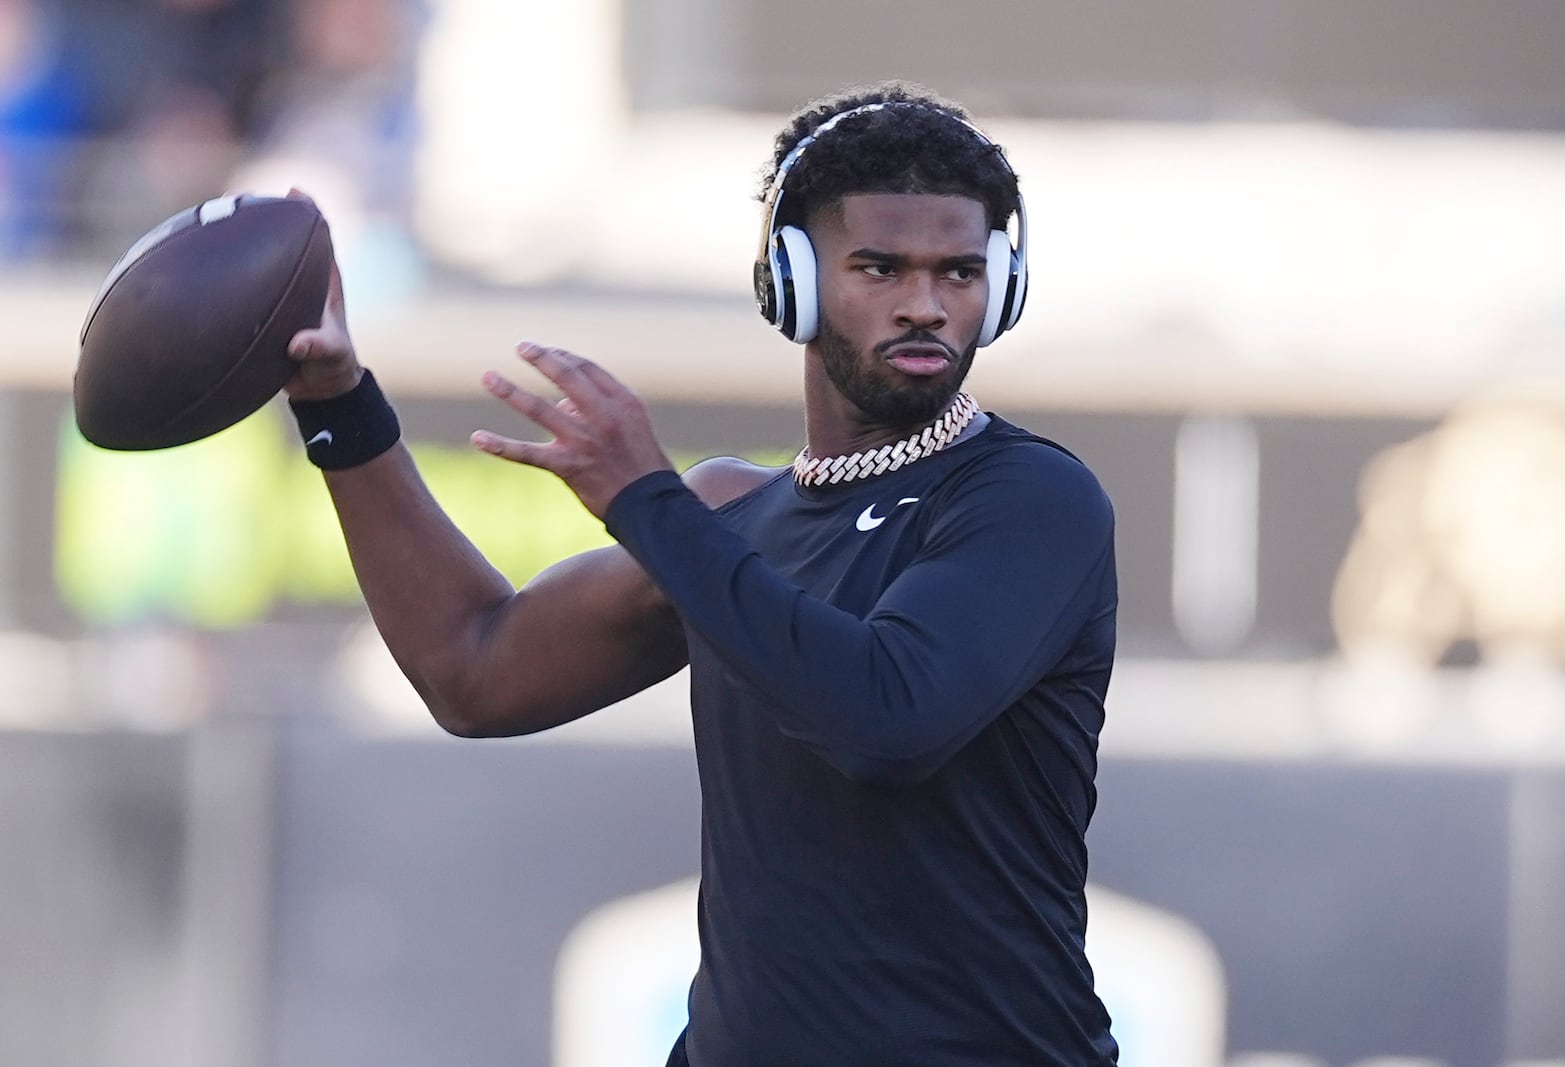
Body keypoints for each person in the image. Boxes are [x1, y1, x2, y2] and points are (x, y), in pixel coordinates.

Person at [284, 81, 1120, 1066]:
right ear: (791, 283)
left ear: (1003, 286)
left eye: (959, 271)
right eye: (880, 267)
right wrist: (338, 404)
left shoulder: (1029, 496)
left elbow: (889, 718)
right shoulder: (726, 516)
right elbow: (473, 671)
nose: (925, 305)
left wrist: (647, 501)